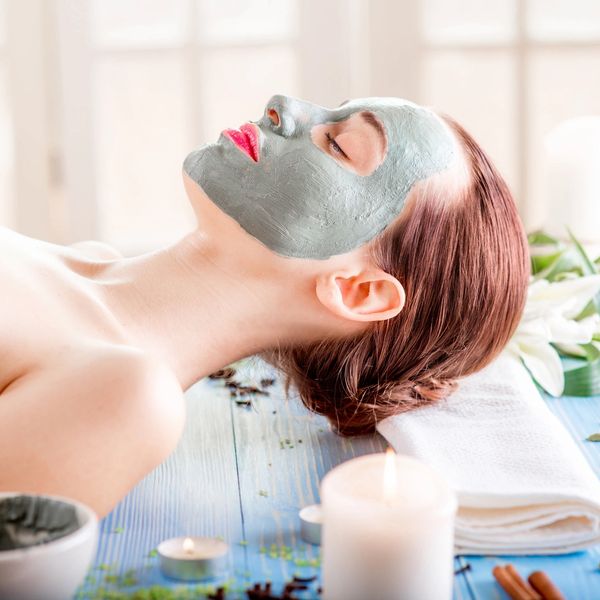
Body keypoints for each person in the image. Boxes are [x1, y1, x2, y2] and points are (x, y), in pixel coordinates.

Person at [0, 95, 529, 517]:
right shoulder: (89, 262)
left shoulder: (125, 399)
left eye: (339, 145)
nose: (283, 106)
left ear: (357, 291)